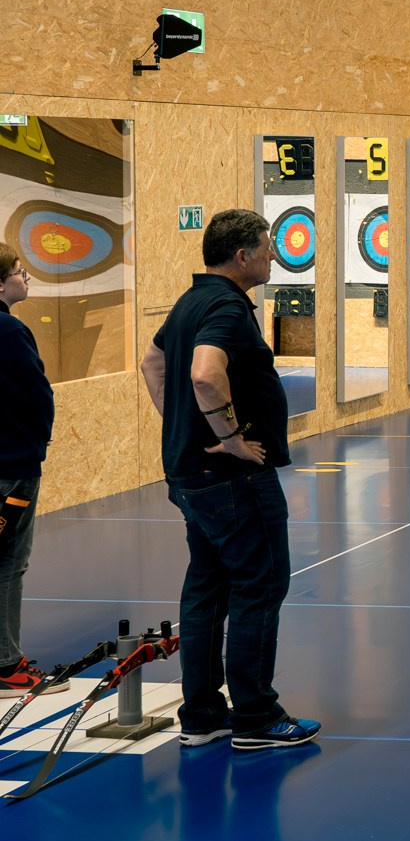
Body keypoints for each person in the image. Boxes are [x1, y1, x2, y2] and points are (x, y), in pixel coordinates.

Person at [140, 209, 318, 750]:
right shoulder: (226, 306)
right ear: (242, 256)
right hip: (232, 477)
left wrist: (185, 426)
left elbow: (152, 362)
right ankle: (256, 717)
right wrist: (232, 436)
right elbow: (203, 374)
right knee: (259, 585)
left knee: (206, 588)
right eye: (266, 248)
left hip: (194, 475)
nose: (273, 256)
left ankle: (201, 716)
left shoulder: (191, 300)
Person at [1, 243, 59, 696]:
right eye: (21, 272)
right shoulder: (9, 331)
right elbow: (37, 395)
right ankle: (5, 665)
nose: (26, 278)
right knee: (9, 562)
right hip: (12, 466)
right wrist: (37, 442)